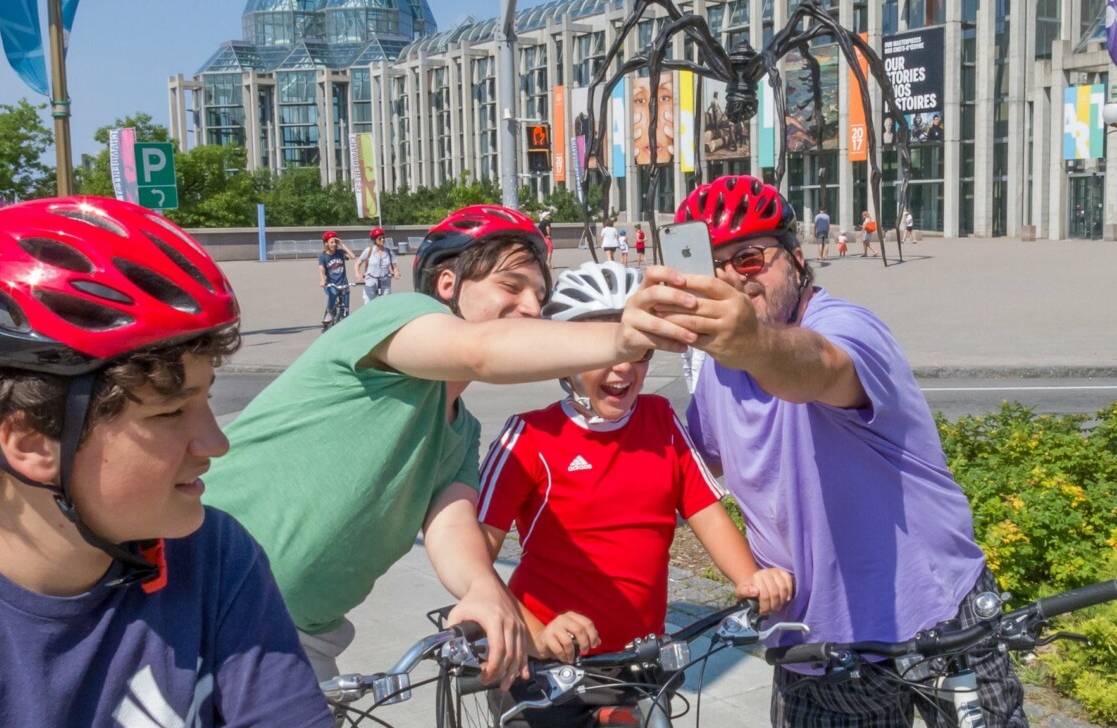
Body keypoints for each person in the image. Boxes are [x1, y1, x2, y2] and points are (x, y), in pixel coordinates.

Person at [0, 197, 332, 726]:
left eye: (205, 400)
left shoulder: (215, 560)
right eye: (170, 412)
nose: (213, 443)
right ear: (32, 443)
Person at [202, 205, 701, 689]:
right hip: (198, 586)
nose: (531, 307)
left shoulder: (459, 434)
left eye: (539, 296)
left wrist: (485, 589)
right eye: (511, 286)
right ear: (448, 285)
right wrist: (623, 338)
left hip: (298, 637)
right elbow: (480, 352)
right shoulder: (396, 315)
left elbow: (452, 530)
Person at [672, 176, 1026, 728]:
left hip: (941, 620)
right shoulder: (718, 372)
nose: (733, 282)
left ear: (794, 257)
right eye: (713, 267)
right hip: (819, 648)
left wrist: (750, 343)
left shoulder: (844, 326)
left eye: (748, 259)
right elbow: (684, 472)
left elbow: (820, 369)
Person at [477, 261, 793, 727]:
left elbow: (704, 507)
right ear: (564, 356)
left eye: (640, 349)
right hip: (546, 666)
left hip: (639, 663)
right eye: (605, 349)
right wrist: (535, 631)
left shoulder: (661, 419)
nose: (624, 365)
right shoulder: (528, 436)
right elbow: (473, 558)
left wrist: (750, 578)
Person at [318, 231, 357, 330]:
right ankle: (329, 312)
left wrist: (342, 244)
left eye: (335, 242)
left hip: (344, 284)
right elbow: (321, 269)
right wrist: (322, 280)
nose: (334, 244)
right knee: (334, 293)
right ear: (326, 243)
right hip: (331, 285)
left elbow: (353, 256)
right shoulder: (323, 256)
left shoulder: (340, 253)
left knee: (345, 309)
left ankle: (344, 325)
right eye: (331, 242)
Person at [355, 226, 399, 303]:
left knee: (386, 303)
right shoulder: (369, 250)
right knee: (369, 304)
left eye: (383, 238)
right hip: (370, 281)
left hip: (385, 281)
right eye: (380, 238)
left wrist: (396, 272)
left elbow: (394, 266)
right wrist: (357, 274)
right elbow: (358, 264)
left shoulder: (388, 251)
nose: (382, 240)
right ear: (374, 240)